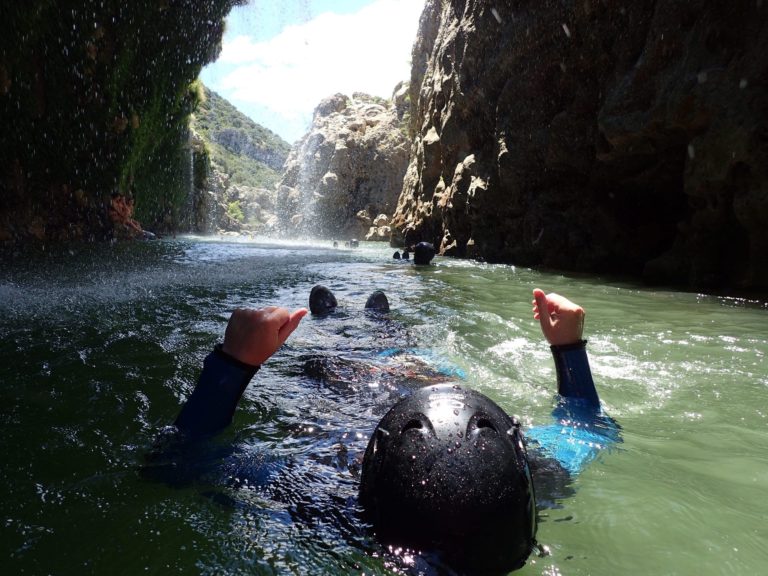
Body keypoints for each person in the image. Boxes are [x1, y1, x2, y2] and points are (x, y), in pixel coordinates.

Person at [170, 288, 618, 574]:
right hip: (416, 383)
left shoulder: (328, 508)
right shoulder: (526, 483)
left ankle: (340, 318)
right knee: (393, 359)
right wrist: (569, 349)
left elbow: (179, 462)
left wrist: (234, 361)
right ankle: (378, 324)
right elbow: (588, 428)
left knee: (322, 367)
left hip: (367, 393)